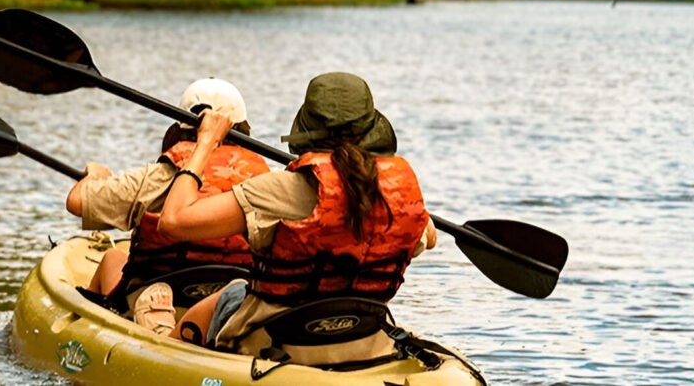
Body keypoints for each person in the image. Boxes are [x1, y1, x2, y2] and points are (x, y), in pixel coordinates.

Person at [156, 72, 437, 364]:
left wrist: (206, 142)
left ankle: (163, 348)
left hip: (281, 341)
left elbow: (173, 220)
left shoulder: (279, 190)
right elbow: (428, 237)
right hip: (363, 338)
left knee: (233, 291)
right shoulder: (396, 196)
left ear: (306, 128)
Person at [64, 78, 270, 334]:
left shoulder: (158, 177)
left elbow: (77, 201)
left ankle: (92, 336)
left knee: (113, 257)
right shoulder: (265, 182)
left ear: (180, 126)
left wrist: (96, 175)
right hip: (233, 295)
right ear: (243, 129)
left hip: (162, 288)